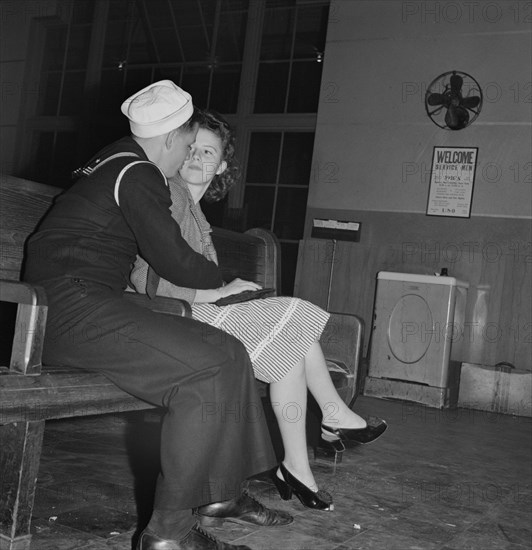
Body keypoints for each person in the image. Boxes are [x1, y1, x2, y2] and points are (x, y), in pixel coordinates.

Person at [23, 81, 293, 550]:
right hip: (68, 310)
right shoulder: (138, 171)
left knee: (228, 353)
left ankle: (220, 494)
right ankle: (169, 535)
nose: (185, 159)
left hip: (72, 304)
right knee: (209, 365)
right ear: (169, 139)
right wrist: (221, 285)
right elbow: (172, 257)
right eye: (188, 146)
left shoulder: (111, 162)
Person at [130, 109, 387, 513]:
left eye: (209, 152)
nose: (197, 158)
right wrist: (219, 292)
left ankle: (298, 464)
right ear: (177, 151)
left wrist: (225, 292)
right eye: (191, 148)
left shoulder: (195, 212)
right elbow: (153, 282)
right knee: (295, 315)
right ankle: (328, 419)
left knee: (290, 349)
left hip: (194, 313)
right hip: (170, 320)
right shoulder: (171, 195)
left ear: (223, 166)